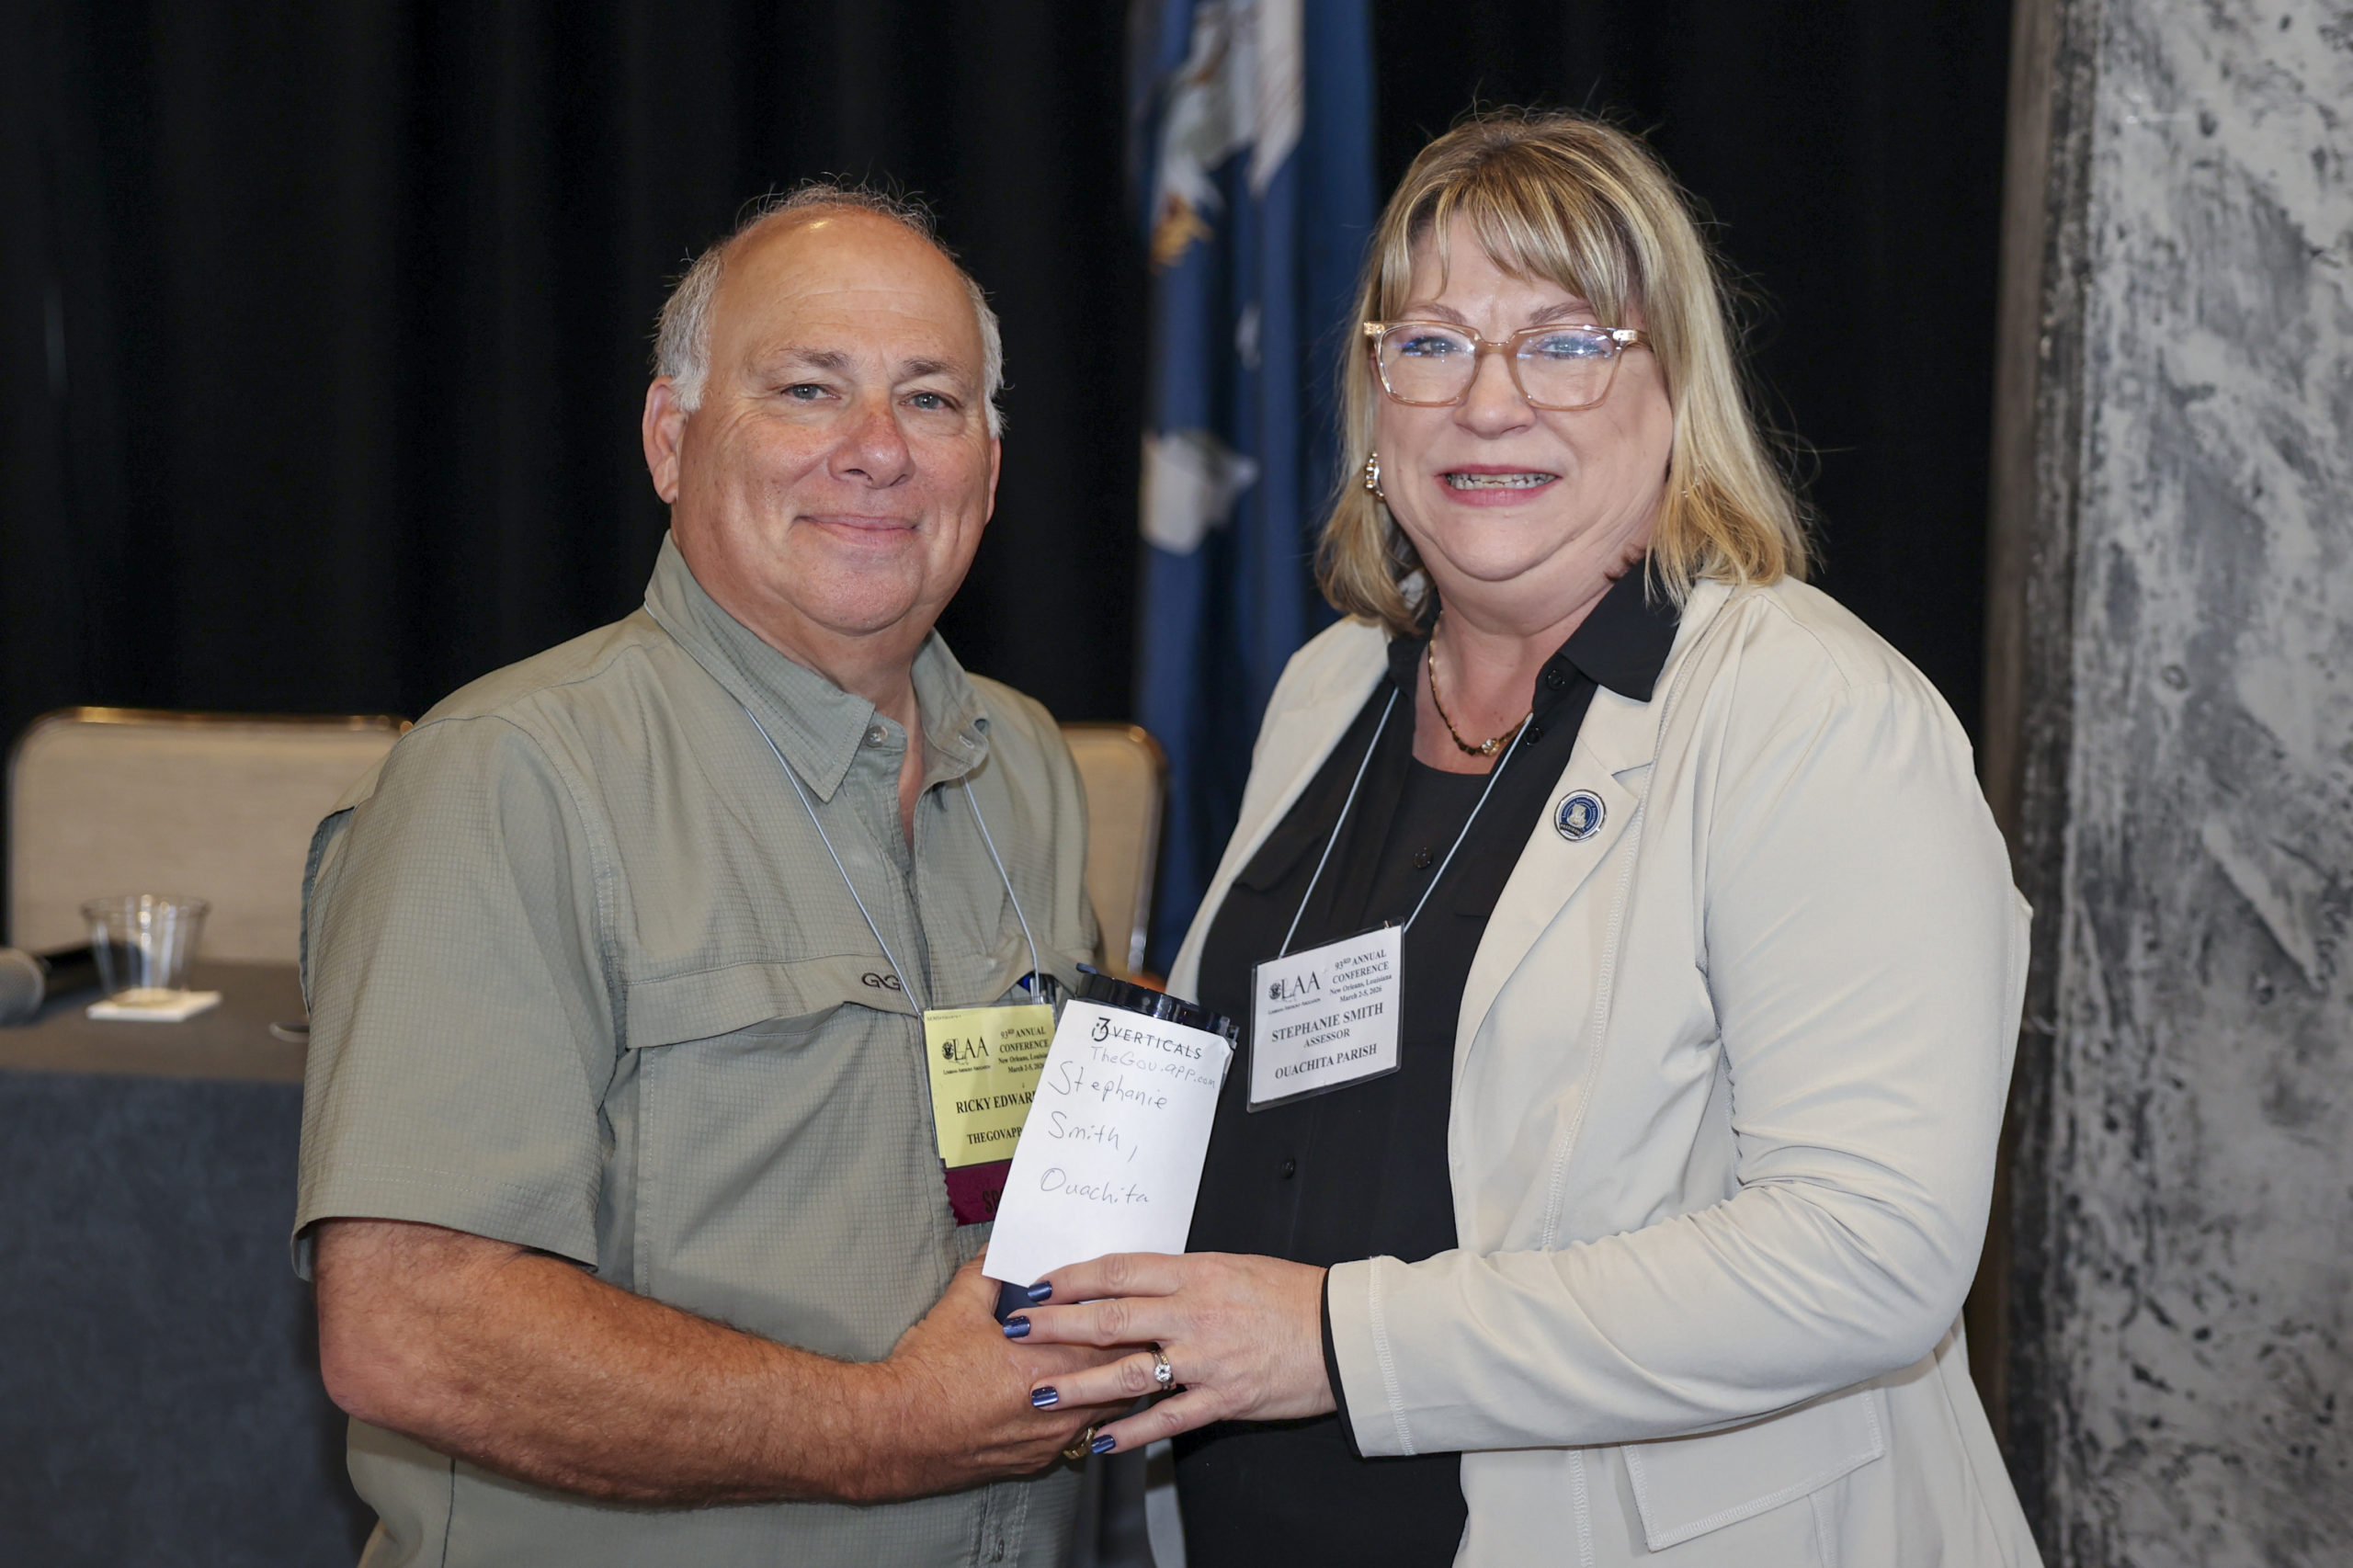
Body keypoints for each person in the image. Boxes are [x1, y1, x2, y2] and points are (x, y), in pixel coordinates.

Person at [1004, 112, 2043, 1566]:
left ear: (1676, 393)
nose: (1489, 403)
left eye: (1565, 343)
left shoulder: (1812, 712)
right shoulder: (1332, 687)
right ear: (1378, 403)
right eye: (1433, 344)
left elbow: (1869, 1255)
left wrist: (1337, 1336)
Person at [295, 185, 1131, 1566]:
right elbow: (413, 1329)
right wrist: (886, 1427)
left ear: (989, 469)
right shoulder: (512, 780)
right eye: (808, 389)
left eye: (930, 400)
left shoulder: (1024, 766)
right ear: (670, 439)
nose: (877, 451)